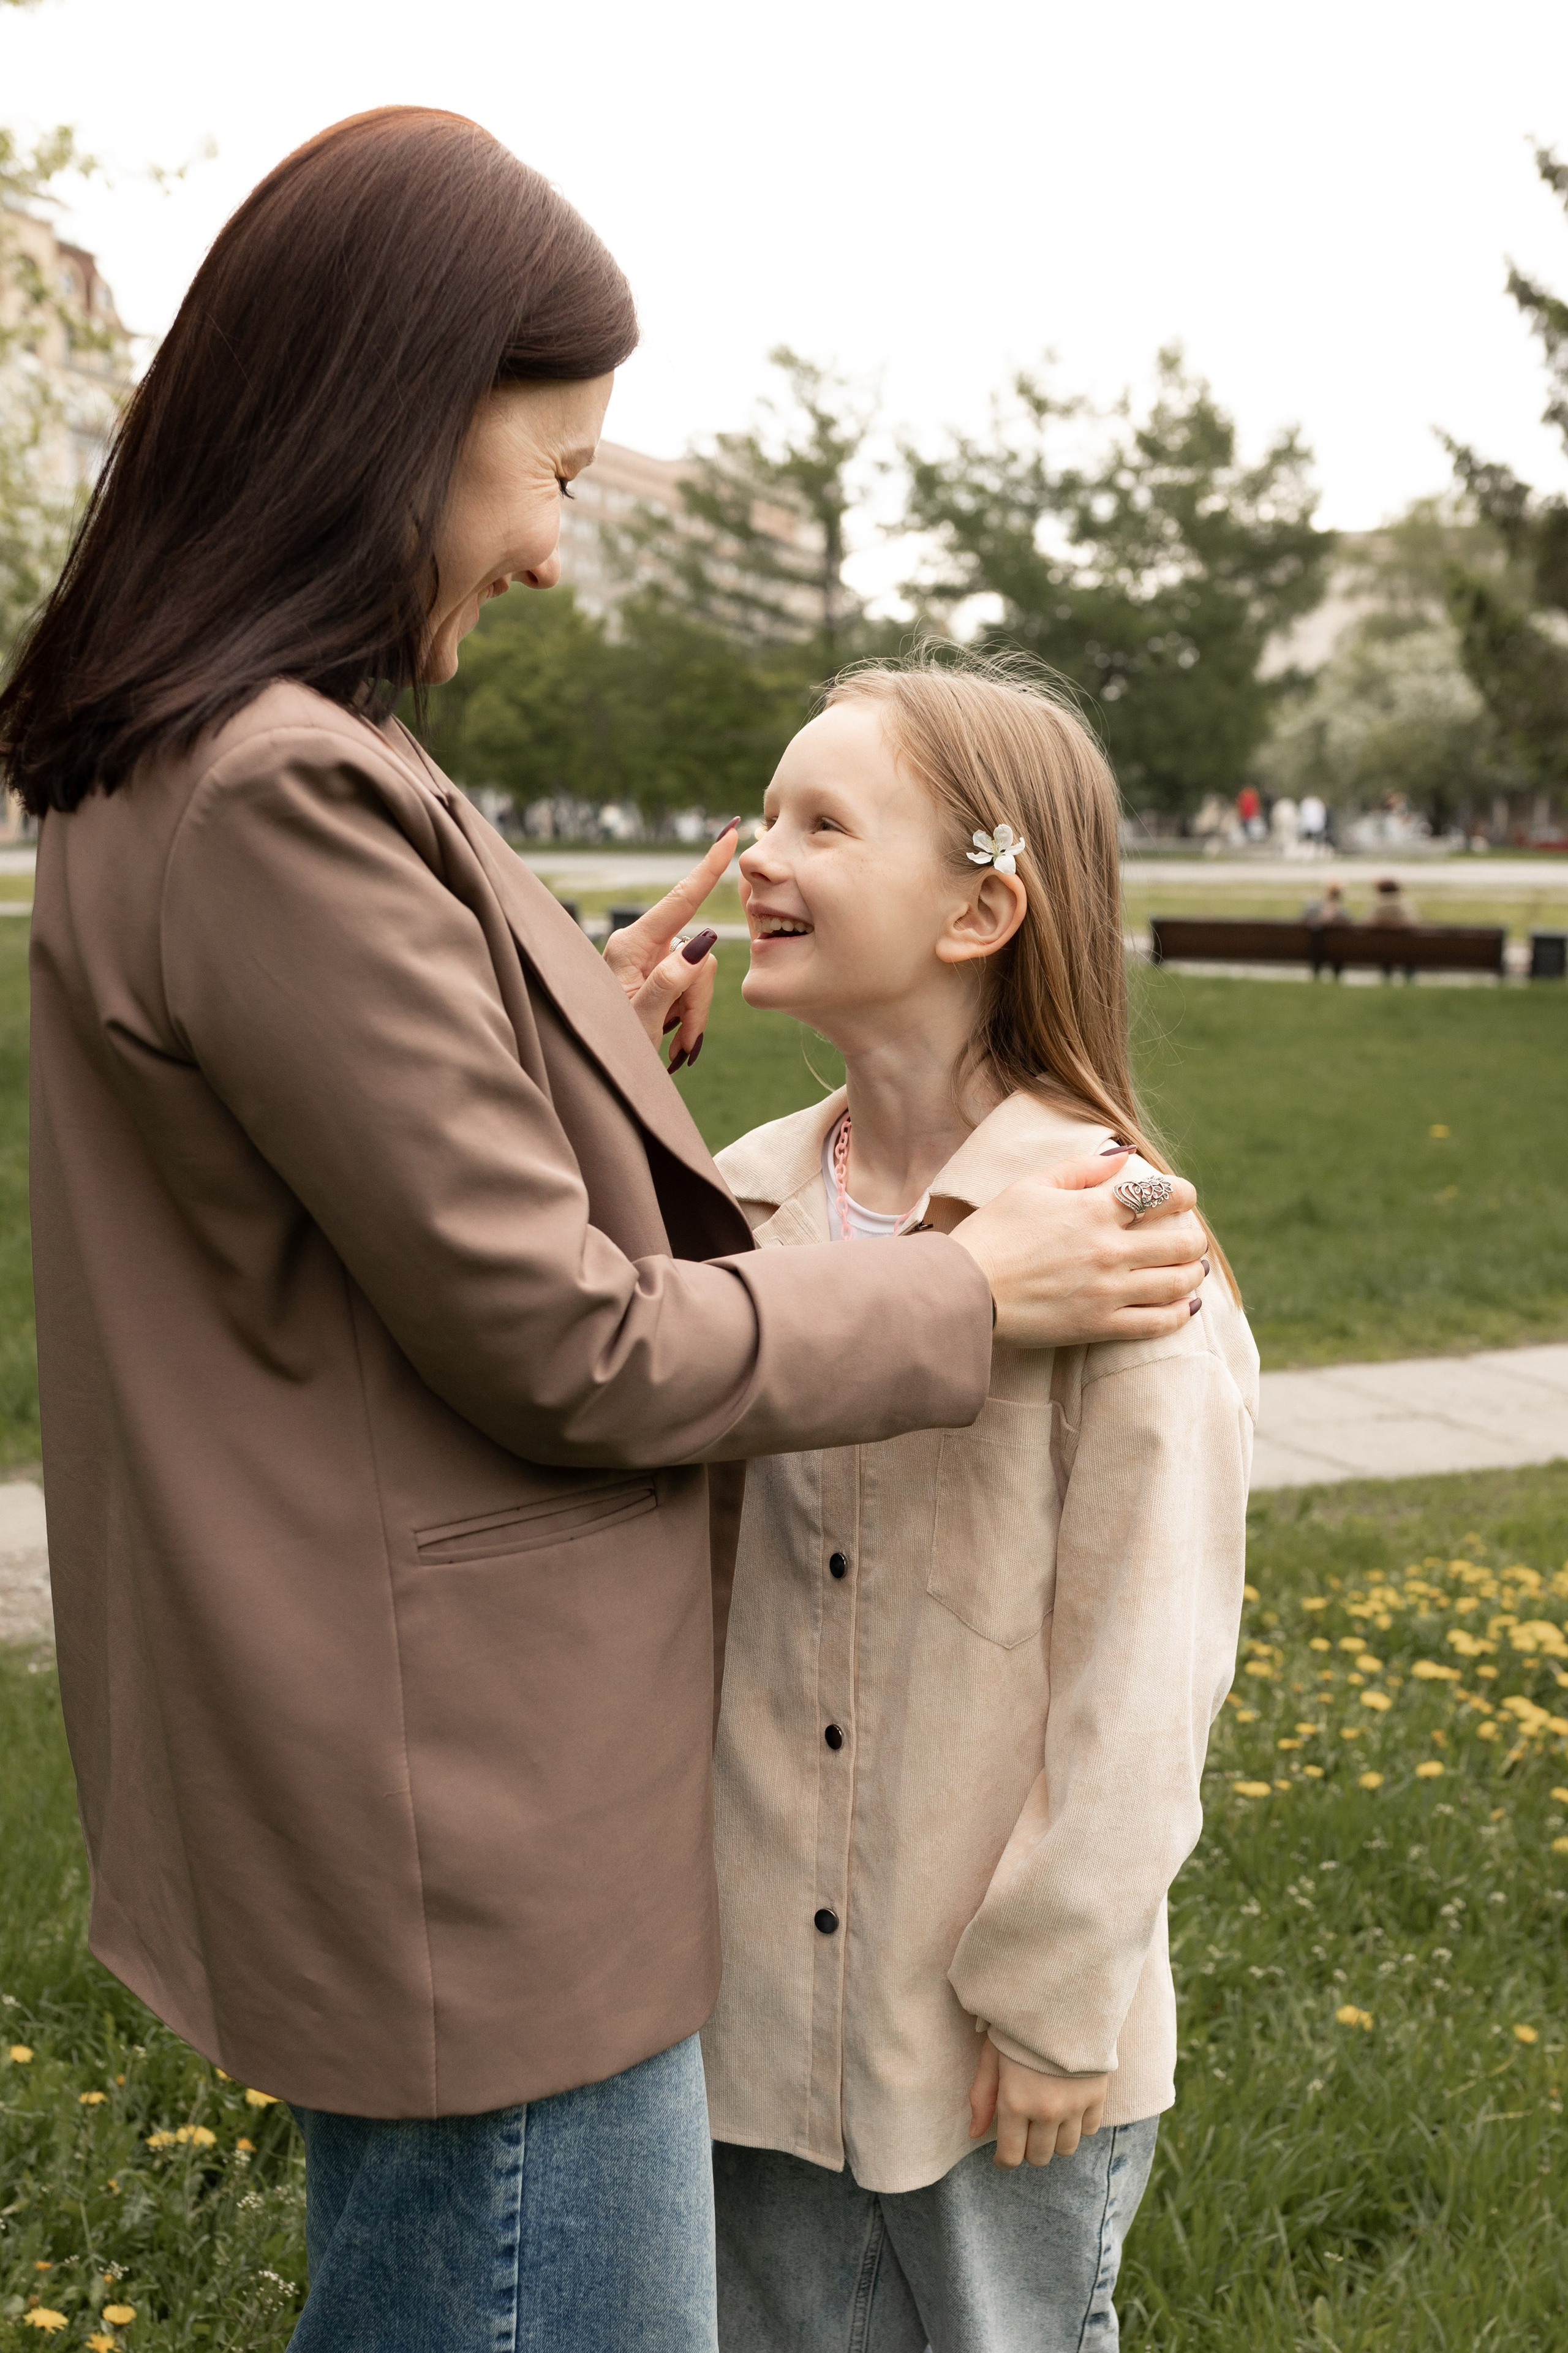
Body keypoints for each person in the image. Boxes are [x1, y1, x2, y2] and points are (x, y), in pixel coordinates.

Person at [0, 113, 1211, 2352]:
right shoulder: (283, 785)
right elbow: (567, 1345)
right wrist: (970, 1283)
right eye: (553, 471)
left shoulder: (184, 758)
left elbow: (345, 1221)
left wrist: (572, 1051)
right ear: (406, 421)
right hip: (482, 1820)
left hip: (421, 1785)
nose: (555, 547)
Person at [701, 657, 1257, 2353]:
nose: (755, 859)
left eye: (821, 823)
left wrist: (1058, 1988)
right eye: (763, 811)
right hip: (750, 2011)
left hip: (993, 2038)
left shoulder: (1120, 1236)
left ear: (981, 907)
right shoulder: (738, 1202)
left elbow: (1148, 1664)